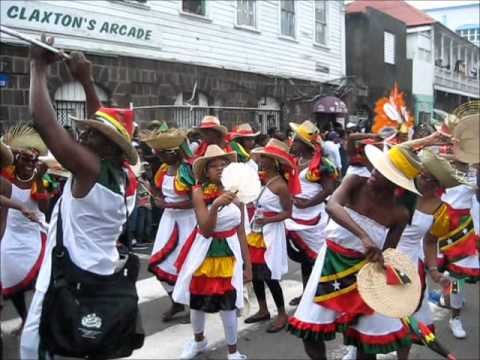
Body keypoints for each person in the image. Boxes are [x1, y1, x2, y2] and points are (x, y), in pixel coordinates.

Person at [21, 37, 139, 358]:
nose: (81, 135)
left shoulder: (89, 168)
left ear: (107, 148)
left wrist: (37, 66)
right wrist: (86, 81)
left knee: (36, 346)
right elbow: (103, 128)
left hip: (67, 278)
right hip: (96, 274)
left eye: (89, 135)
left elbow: (44, 124)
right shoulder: (124, 173)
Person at [288, 144, 420, 360]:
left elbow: (387, 252)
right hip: (329, 264)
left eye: (382, 172)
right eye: (377, 167)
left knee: (367, 342)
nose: (374, 171)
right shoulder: (355, 183)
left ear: (395, 183)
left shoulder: (399, 213)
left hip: (365, 275)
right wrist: (364, 236)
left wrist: (380, 258)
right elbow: (332, 206)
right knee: (310, 333)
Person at [172, 145, 252, 360]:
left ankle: (233, 352)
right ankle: (199, 342)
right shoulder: (198, 192)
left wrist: (248, 264)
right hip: (204, 251)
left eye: (223, 164)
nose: (219, 168)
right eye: (213, 165)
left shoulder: (238, 193)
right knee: (198, 300)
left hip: (230, 252)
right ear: (205, 171)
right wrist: (215, 206)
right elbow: (206, 230)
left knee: (228, 301)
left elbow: (241, 231)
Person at [142, 127, 197, 322]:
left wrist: (168, 204)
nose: (161, 157)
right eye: (160, 153)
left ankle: (193, 307)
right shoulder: (164, 170)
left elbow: (195, 201)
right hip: (169, 221)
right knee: (159, 263)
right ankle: (176, 302)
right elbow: (160, 191)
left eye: (165, 153)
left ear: (175, 152)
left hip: (187, 223)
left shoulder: (186, 170)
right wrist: (155, 193)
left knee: (186, 265)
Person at [244, 139, 296, 332]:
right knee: (256, 275)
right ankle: (263, 309)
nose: (260, 160)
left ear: (273, 162)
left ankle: (282, 314)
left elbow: (288, 213)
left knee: (269, 276)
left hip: (270, 235)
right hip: (257, 234)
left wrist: (268, 220)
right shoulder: (265, 180)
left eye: (264, 158)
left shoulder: (281, 185)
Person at [1, 126, 50, 324]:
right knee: (10, 280)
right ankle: (25, 317)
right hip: (11, 235)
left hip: (35, 234)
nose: (30, 163)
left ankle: (42, 321)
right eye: (25, 159)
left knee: (40, 282)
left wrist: (39, 179)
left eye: (33, 160)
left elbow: (45, 208)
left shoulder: (40, 181)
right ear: (16, 161)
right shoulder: (5, 182)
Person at [285, 120, 337, 306]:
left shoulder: (322, 165)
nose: (292, 142)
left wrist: (308, 203)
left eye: (296, 140)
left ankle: (321, 293)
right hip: (296, 217)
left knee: (315, 259)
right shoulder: (295, 161)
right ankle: (308, 292)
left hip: (314, 219)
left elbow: (328, 189)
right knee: (304, 259)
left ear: (304, 144)